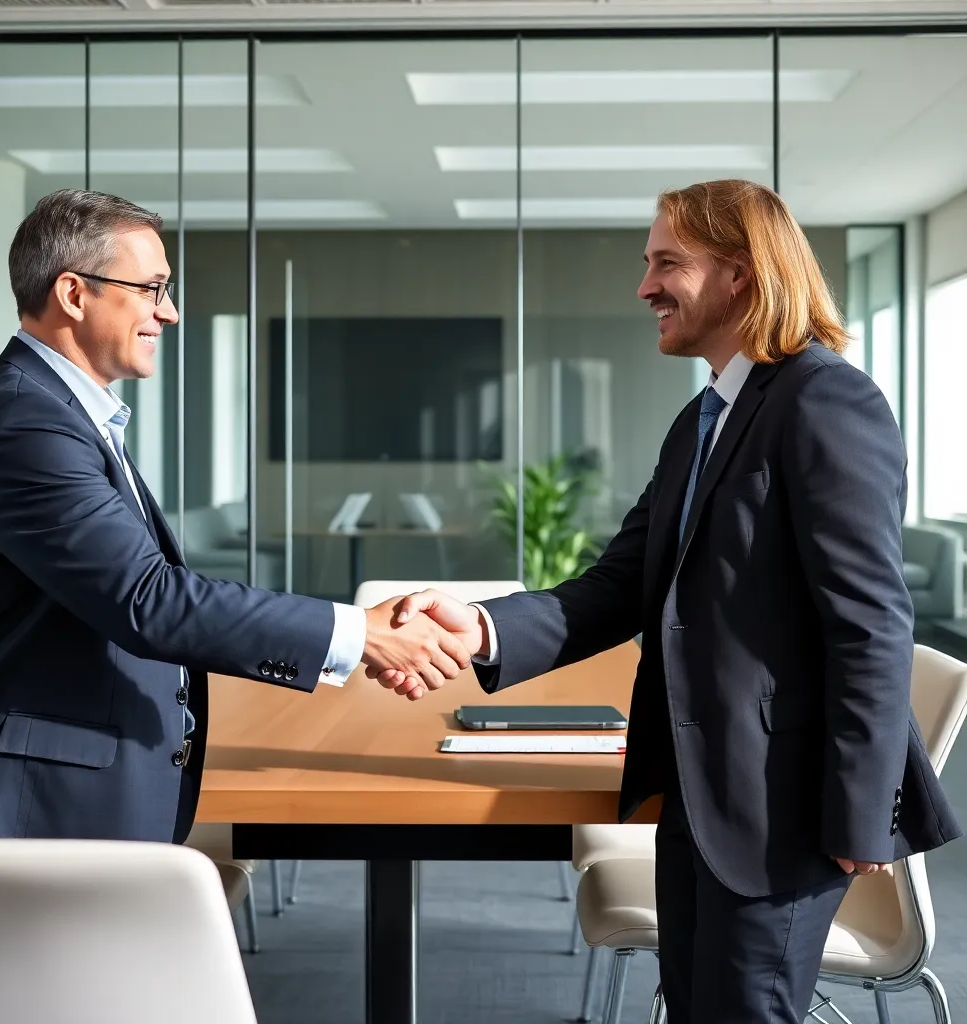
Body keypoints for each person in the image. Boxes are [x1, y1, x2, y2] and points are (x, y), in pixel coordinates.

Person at [371, 179, 962, 1024]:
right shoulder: (704, 419)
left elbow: (870, 624)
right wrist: (482, 627)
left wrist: (860, 819)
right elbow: (620, 586)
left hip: (784, 807)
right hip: (700, 789)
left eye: (666, 264)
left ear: (740, 274)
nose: (645, 286)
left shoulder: (826, 400)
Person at [0, 189, 469, 844]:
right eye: (151, 289)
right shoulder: (24, 424)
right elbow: (148, 599)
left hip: (81, 787)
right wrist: (359, 633)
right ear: (74, 294)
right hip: (40, 808)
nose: (169, 312)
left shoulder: (58, 413)